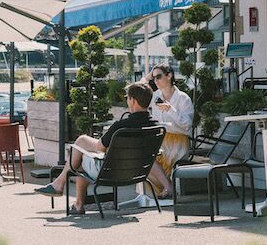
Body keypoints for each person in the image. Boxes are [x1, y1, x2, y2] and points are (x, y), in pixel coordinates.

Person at [33, 82, 172, 214]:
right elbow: (151, 155)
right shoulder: (155, 125)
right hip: (138, 173)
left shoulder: (121, 126)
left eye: (128, 98)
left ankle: (63, 188)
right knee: (83, 152)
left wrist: (87, 142)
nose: (127, 101)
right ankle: (71, 197)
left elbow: (100, 148)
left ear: (133, 101)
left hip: (111, 173)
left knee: (81, 146)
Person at [145, 65, 193, 189]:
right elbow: (135, 91)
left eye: (158, 77)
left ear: (169, 75)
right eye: (153, 78)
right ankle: (166, 188)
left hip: (178, 140)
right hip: (160, 139)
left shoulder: (183, 98)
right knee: (142, 159)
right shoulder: (155, 96)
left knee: (160, 161)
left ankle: (167, 189)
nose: (156, 81)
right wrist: (148, 77)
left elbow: (187, 125)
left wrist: (170, 110)